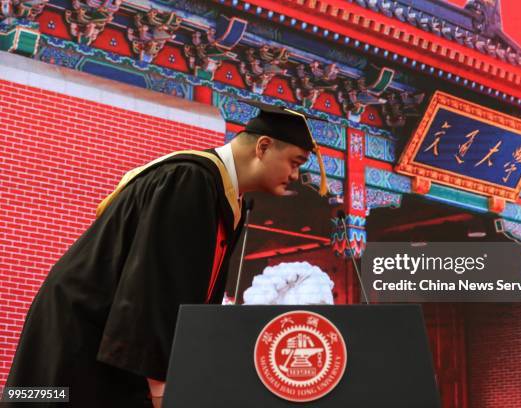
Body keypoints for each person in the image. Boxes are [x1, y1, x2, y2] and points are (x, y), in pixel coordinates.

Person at [4, 102, 328, 407]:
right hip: (85, 331)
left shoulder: (225, 194)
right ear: (263, 147)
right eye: (295, 162)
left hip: (106, 334)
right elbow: (155, 283)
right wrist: (160, 386)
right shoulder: (190, 179)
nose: (296, 176)